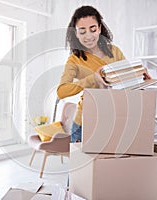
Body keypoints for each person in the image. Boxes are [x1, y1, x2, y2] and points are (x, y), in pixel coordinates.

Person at [56, 5, 126, 143]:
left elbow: (127, 79)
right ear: (75, 33)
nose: (88, 36)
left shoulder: (114, 51)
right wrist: (92, 79)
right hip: (84, 122)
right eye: (82, 31)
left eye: (92, 29)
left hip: (113, 118)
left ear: (99, 28)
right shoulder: (74, 59)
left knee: (107, 164)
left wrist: (140, 74)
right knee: (85, 164)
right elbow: (61, 92)